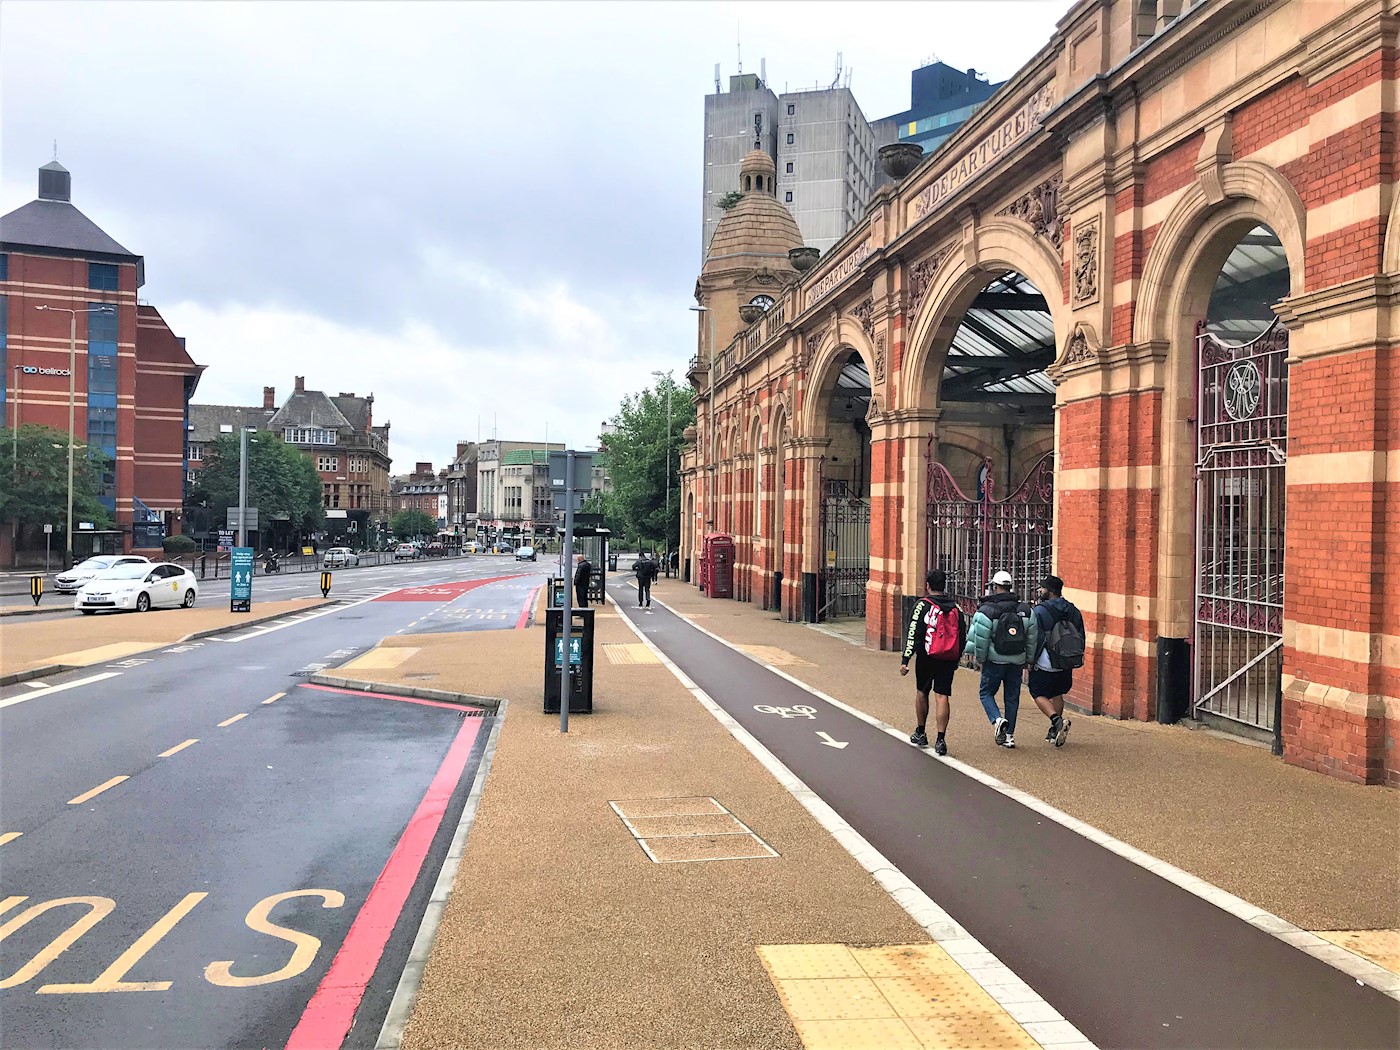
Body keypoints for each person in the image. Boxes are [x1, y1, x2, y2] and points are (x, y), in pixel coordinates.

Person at [964, 569, 1037, 749]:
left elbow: (980, 638)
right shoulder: (1026, 610)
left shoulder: (987, 610)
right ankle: (1010, 736)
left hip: (994, 661)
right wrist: (1028, 659)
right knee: (1012, 698)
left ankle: (997, 720)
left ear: (995, 587)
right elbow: (1032, 638)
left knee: (986, 693)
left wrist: (980, 659)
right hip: (1016, 661)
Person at [899, 568, 966, 756]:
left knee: (922, 691)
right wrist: (956, 657)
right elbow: (962, 634)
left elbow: (913, 632)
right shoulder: (956, 607)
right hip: (948, 657)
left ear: (928, 585)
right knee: (942, 696)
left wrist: (906, 659)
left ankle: (921, 732)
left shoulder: (922, 605)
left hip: (926, 655)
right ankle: (941, 739)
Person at [1030, 574, 1085, 748]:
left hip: (1046, 660)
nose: (1040, 590)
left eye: (1043, 588)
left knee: (1037, 693)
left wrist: (1030, 659)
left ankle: (1056, 721)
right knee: (1057, 692)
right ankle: (1054, 730)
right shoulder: (1073, 610)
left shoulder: (1040, 611)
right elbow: (1081, 635)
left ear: (1050, 591)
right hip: (1066, 659)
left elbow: (1036, 638)